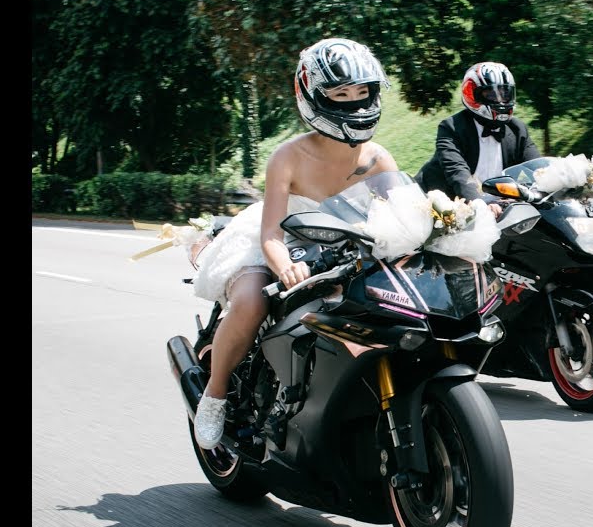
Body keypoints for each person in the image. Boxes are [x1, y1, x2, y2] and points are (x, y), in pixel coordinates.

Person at [189, 38, 398, 450]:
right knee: (251, 301)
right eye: (340, 94)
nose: (354, 103)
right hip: (284, 242)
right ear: (314, 97)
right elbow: (271, 233)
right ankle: (214, 395)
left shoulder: (378, 158)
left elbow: (401, 215)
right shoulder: (287, 156)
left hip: (346, 248)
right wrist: (284, 265)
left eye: (362, 92)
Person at [415, 61, 542, 218]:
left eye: (505, 93)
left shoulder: (517, 129)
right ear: (472, 95)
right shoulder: (451, 128)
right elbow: (458, 173)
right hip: (442, 209)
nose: (500, 100)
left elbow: (537, 168)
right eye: (491, 94)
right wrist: (480, 202)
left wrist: (558, 182)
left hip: (499, 211)